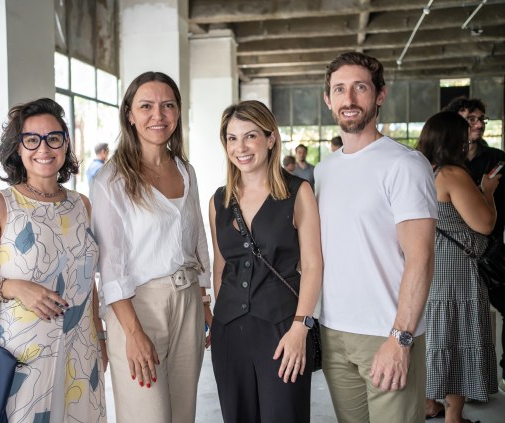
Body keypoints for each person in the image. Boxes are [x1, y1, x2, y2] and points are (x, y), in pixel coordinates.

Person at [0, 98, 107, 422]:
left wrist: (100, 338)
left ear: (65, 143)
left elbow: (87, 279)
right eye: (32, 139)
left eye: (53, 138)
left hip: (81, 348)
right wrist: (16, 287)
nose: (44, 148)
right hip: (24, 356)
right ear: (18, 147)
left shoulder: (81, 204)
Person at [315, 51, 438, 423]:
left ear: (379, 95)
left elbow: (421, 258)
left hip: (386, 333)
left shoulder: (404, 164)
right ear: (328, 100)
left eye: (360, 88)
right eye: (339, 89)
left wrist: (400, 338)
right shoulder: (324, 170)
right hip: (334, 332)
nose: (349, 99)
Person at [91, 71, 212, 423]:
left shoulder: (186, 171)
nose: (157, 115)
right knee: (148, 416)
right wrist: (133, 332)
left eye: (167, 105)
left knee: (182, 414)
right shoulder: (112, 179)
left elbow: (197, 240)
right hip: (137, 307)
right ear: (129, 114)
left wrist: (204, 302)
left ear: (177, 113)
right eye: (146, 106)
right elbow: (110, 264)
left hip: (188, 302)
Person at [209, 100, 322, 422]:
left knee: (284, 415)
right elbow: (220, 267)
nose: (240, 147)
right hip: (229, 330)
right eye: (232, 138)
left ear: (271, 139)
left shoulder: (298, 192)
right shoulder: (219, 200)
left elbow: (313, 266)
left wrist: (300, 328)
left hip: (282, 330)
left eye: (250, 136)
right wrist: (222, 316)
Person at [416, 111, 499, 422]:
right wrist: (487, 192)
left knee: (435, 336)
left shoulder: (419, 170)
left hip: (428, 265)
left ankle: (428, 402)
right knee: (459, 336)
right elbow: (485, 223)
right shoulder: (452, 174)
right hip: (456, 271)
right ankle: (454, 416)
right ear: (454, 140)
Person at [444, 96, 505, 393]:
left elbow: (495, 216)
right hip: (455, 256)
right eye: (471, 119)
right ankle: (448, 391)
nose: (479, 124)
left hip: (491, 251)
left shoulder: (497, 159)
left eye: (482, 119)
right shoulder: (444, 165)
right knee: (456, 321)